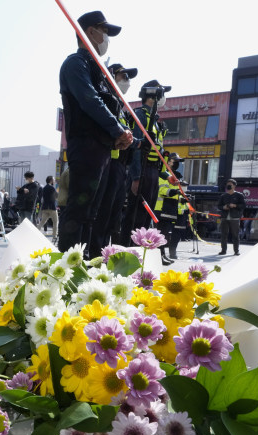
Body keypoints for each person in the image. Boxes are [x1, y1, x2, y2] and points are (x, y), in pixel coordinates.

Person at [57, 10, 133, 254]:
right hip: (85, 146)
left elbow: (110, 107)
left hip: (101, 149)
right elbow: (91, 101)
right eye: (105, 31)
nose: (106, 37)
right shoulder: (75, 64)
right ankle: (65, 267)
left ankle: (84, 266)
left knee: (92, 214)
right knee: (78, 213)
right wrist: (118, 130)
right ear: (90, 32)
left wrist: (119, 136)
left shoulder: (98, 70)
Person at [120, 80, 171, 252]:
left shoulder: (155, 120)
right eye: (162, 93)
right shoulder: (140, 115)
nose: (164, 98)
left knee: (145, 217)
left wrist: (166, 176)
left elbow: (157, 153)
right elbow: (136, 148)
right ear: (152, 95)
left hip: (152, 172)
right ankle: (127, 251)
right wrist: (135, 177)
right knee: (135, 216)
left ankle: (140, 254)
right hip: (141, 170)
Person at [92, 63, 138, 252]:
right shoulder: (105, 100)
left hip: (120, 166)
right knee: (101, 214)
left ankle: (105, 254)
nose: (126, 81)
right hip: (107, 162)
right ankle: (95, 254)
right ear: (111, 75)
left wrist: (136, 142)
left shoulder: (122, 108)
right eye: (123, 76)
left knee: (113, 216)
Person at [153, 152, 184, 264]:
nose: (176, 164)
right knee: (159, 235)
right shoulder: (163, 174)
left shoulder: (173, 175)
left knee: (164, 235)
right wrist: (173, 191)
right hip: (160, 209)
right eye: (175, 161)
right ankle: (158, 257)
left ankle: (162, 255)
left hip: (169, 210)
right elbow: (161, 189)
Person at [216, 178, 246, 256]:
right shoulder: (223, 196)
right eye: (227, 184)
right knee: (223, 235)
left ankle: (236, 251)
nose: (228, 186)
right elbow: (219, 206)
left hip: (235, 218)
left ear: (234, 186)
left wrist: (235, 205)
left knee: (235, 235)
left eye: (230, 184)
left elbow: (243, 205)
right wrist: (223, 207)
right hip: (224, 217)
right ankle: (223, 250)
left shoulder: (239, 195)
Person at [38, 175, 59, 240]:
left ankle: (35, 232)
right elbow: (57, 196)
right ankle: (54, 236)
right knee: (55, 222)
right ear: (51, 180)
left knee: (42, 222)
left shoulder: (44, 188)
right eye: (54, 179)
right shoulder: (52, 188)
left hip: (45, 207)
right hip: (52, 207)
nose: (54, 180)